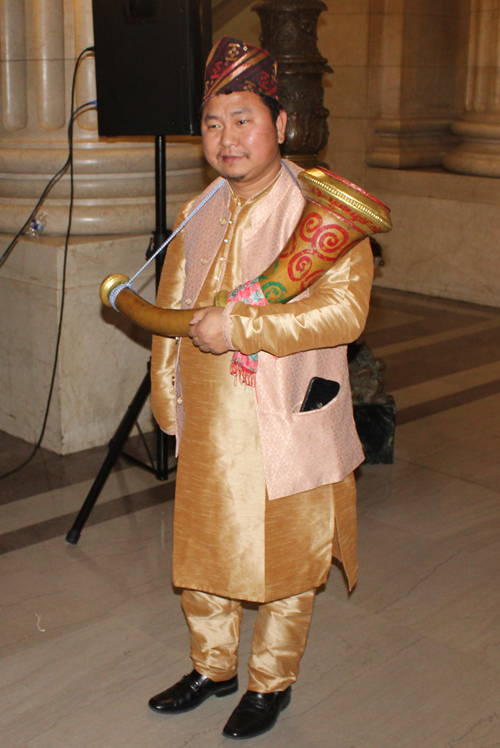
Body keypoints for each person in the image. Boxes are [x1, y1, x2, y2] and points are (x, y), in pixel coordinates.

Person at [149, 36, 374, 740]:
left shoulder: (323, 214)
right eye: (214, 124)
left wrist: (245, 328)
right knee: (205, 550)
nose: (227, 139)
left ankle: (270, 680)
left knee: (287, 558)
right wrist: (165, 391)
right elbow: (170, 308)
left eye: (243, 119)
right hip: (210, 418)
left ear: (281, 125)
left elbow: (346, 313)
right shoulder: (197, 209)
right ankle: (213, 666)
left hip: (284, 413)